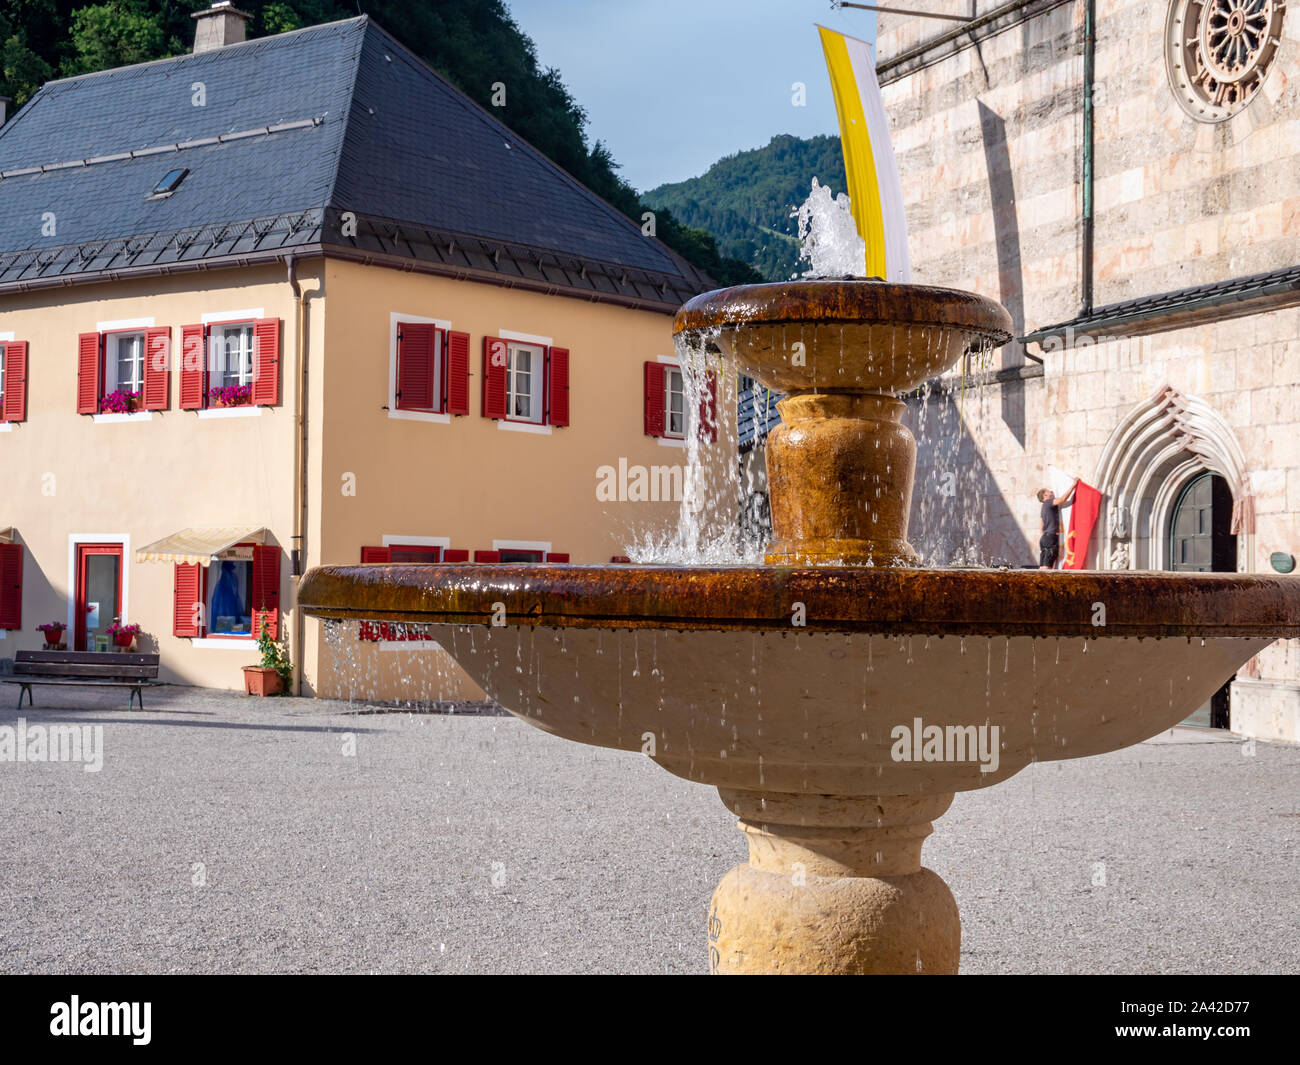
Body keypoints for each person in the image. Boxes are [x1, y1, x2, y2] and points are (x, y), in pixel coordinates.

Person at [1037, 481, 1078, 570]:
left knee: (1045, 566)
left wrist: (1045, 537)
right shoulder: (1048, 502)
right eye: (1049, 491)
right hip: (1050, 538)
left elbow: (1041, 525)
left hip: (1046, 538)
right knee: (1046, 567)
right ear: (1045, 496)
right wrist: (1073, 485)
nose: (1052, 492)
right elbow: (1063, 499)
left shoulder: (1044, 507)